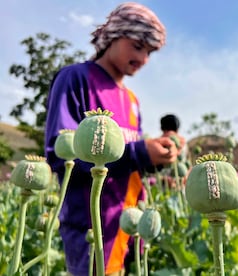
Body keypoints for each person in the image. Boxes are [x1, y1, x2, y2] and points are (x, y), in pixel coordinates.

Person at [44, 3, 177, 275]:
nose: (144, 59)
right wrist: (140, 152)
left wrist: (158, 160)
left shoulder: (132, 101)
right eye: (138, 46)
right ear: (114, 36)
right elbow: (59, 153)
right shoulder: (75, 79)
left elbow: (130, 164)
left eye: (149, 52)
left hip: (128, 223)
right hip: (90, 228)